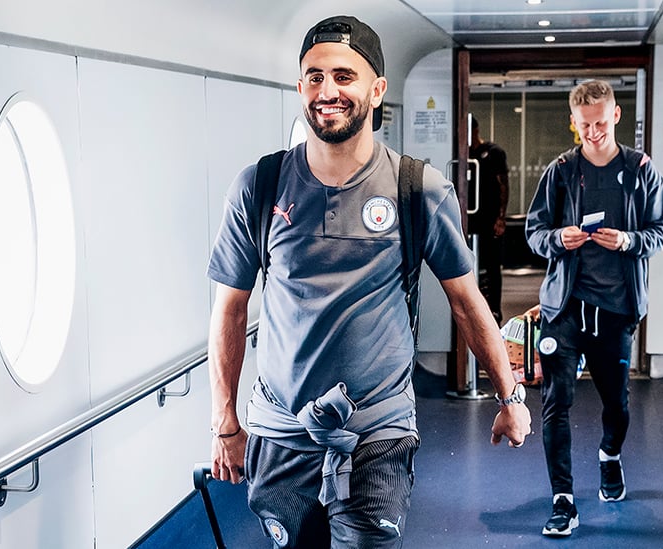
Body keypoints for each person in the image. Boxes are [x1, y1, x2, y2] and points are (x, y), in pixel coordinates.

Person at [206, 15, 532, 548]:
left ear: (377, 90)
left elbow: (467, 303)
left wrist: (508, 394)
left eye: (343, 76)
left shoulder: (417, 190)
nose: (327, 91)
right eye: (314, 77)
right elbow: (230, 311)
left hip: (376, 432)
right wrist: (225, 424)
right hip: (282, 434)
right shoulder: (260, 186)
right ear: (299, 87)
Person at [524, 79, 663, 537]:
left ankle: (610, 455)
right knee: (556, 403)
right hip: (565, 308)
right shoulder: (561, 171)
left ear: (616, 117)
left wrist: (629, 241)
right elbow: (534, 232)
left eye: (601, 123)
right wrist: (556, 240)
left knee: (617, 405)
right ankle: (563, 500)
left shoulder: (641, 170)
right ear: (574, 122)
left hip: (615, 309)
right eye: (585, 125)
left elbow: (660, 231)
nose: (593, 132)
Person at [468, 116, 510, 324]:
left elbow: (503, 185)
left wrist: (501, 218)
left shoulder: (493, 153)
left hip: (489, 219)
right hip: (469, 222)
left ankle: (494, 312)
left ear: (475, 129)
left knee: (492, 268)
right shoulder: (462, 153)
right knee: (471, 267)